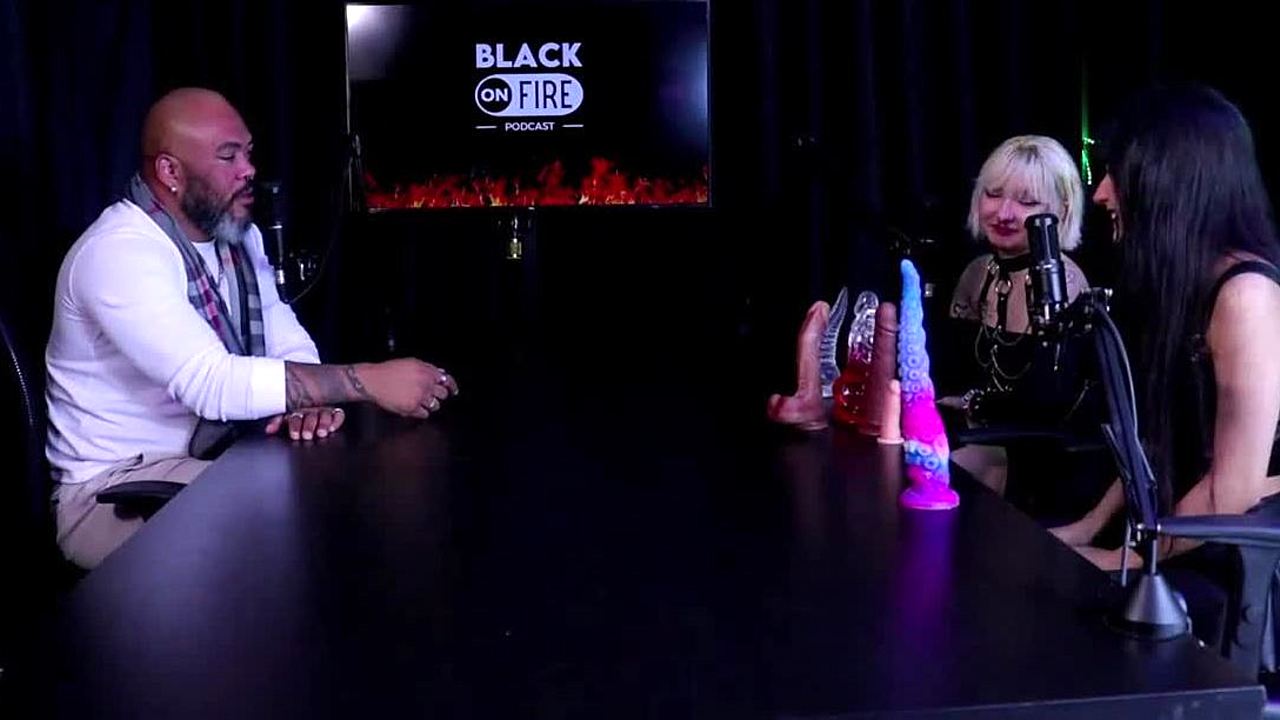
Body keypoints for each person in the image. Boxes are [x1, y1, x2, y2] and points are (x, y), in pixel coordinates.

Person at [45, 88, 460, 569]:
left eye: (248, 153)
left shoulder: (238, 237)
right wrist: (366, 381)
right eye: (228, 157)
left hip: (215, 461)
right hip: (115, 492)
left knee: (349, 489)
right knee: (304, 527)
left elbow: (283, 336)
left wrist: (310, 403)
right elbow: (211, 383)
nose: (248, 170)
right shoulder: (119, 253)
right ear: (170, 172)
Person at [1050, 86, 1280, 579]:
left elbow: (1233, 491)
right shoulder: (1186, 286)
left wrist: (1128, 560)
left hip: (1244, 561)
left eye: (1117, 174)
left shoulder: (1246, 297)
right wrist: (1089, 528)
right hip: (1189, 535)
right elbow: (1160, 442)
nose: (1101, 193)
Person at [942, 135, 1090, 497]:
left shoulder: (1064, 283)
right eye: (993, 194)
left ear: (1062, 209)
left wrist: (973, 404)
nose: (1004, 213)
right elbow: (952, 375)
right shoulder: (977, 273)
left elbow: (1048, 404)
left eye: (1027, 202)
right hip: (975, 435)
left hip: (1038, 456)